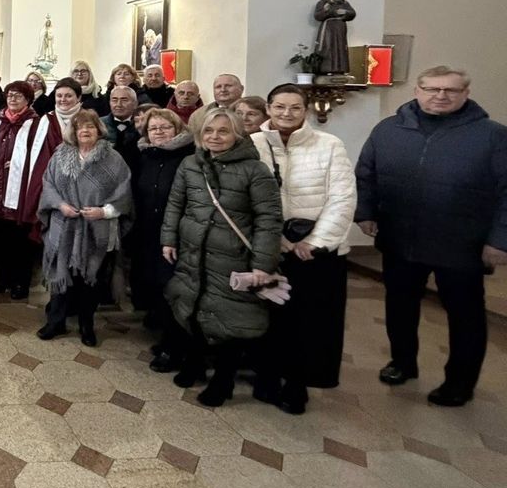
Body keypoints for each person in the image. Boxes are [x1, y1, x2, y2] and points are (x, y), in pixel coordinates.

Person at [355, 66, 507, 407]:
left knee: (465, 315)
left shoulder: (493, 136)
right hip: (401, 236)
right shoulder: (388, 130)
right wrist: (365, 213)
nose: (441, 95)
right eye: (432, 88)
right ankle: (402, 362)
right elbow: (366, 173)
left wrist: (500, 240)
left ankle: (459, 382)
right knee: (399, 306)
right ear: (417, 91)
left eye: (451, 90)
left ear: (466, 94)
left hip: (462, 242)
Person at [160, 107, 283, 407]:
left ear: (237, 134)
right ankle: (195, 363)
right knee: (192, 307)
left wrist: (262, 265)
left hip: (233, 257)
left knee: (230, 319)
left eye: (223, 131)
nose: (215, 137)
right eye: (209, 131)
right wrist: (168, 238)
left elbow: (269, 219)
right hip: (194, 252)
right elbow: (176, 203)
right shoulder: (190, 164)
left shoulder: (255, 170)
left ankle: (223, 380)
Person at [251, 84, 356, 415]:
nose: (286, 113)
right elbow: (243, 197)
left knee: (308, 321)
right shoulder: (252, 144)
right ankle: (266, 376)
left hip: (316, 251)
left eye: (295, 107)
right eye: (280, 106)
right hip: (269, 245)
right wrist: (276, 240)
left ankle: (297, 383)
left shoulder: (329, 145)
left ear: (306, 110)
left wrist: (316, 241)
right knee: (267, 316)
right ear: (268, 108)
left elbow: (342, 197)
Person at [37, 109, 133, 346]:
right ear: (74, 131)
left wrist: (103, 212)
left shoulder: (113, 159)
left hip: (96, 228)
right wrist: (60, 205)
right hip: (64, 224)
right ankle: (56, 321)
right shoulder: (60, 155)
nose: (86, 131)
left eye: (90, 127)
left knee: (91, 280)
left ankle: (86, 325)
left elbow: (124, 194)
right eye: (81, 128)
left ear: (98, 130)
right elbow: (48, 184)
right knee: (61, 274)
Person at [130, 109, 196, 370]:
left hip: (177, 236)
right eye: (153, 128)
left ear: (177, 128)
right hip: (148, 232)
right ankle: (168, 339)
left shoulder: (188, 157)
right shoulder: (145, 156)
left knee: (176, 291)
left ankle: (176, 347)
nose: (158, 132)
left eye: (164, 127)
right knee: (158, 288)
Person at [0, 81, 51, 299]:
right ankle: (3, 278)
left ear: (28, 100)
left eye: (18, 96)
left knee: (21, 239)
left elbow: (40, 156)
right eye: (10, 95)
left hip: (22, 189)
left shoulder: (35, 124)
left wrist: (16, 164)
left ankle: (21, 282)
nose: (13, 99)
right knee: (2, 238)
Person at [313, 0, 356, 75]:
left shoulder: (344, 3)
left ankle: (340, 69)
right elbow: (317, 16)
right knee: (328, 47)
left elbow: (352, 13)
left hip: (340, 29)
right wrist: (326, 11)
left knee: (340, 48)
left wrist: (346, 12)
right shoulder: (323, 2)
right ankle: (326, 69)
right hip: (328, 29)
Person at [102, 86, 142, 170]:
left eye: (124, 100)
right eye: (114, 100)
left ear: (135, 104)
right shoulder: (98, 124)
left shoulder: (144, 125)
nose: (118, 104)